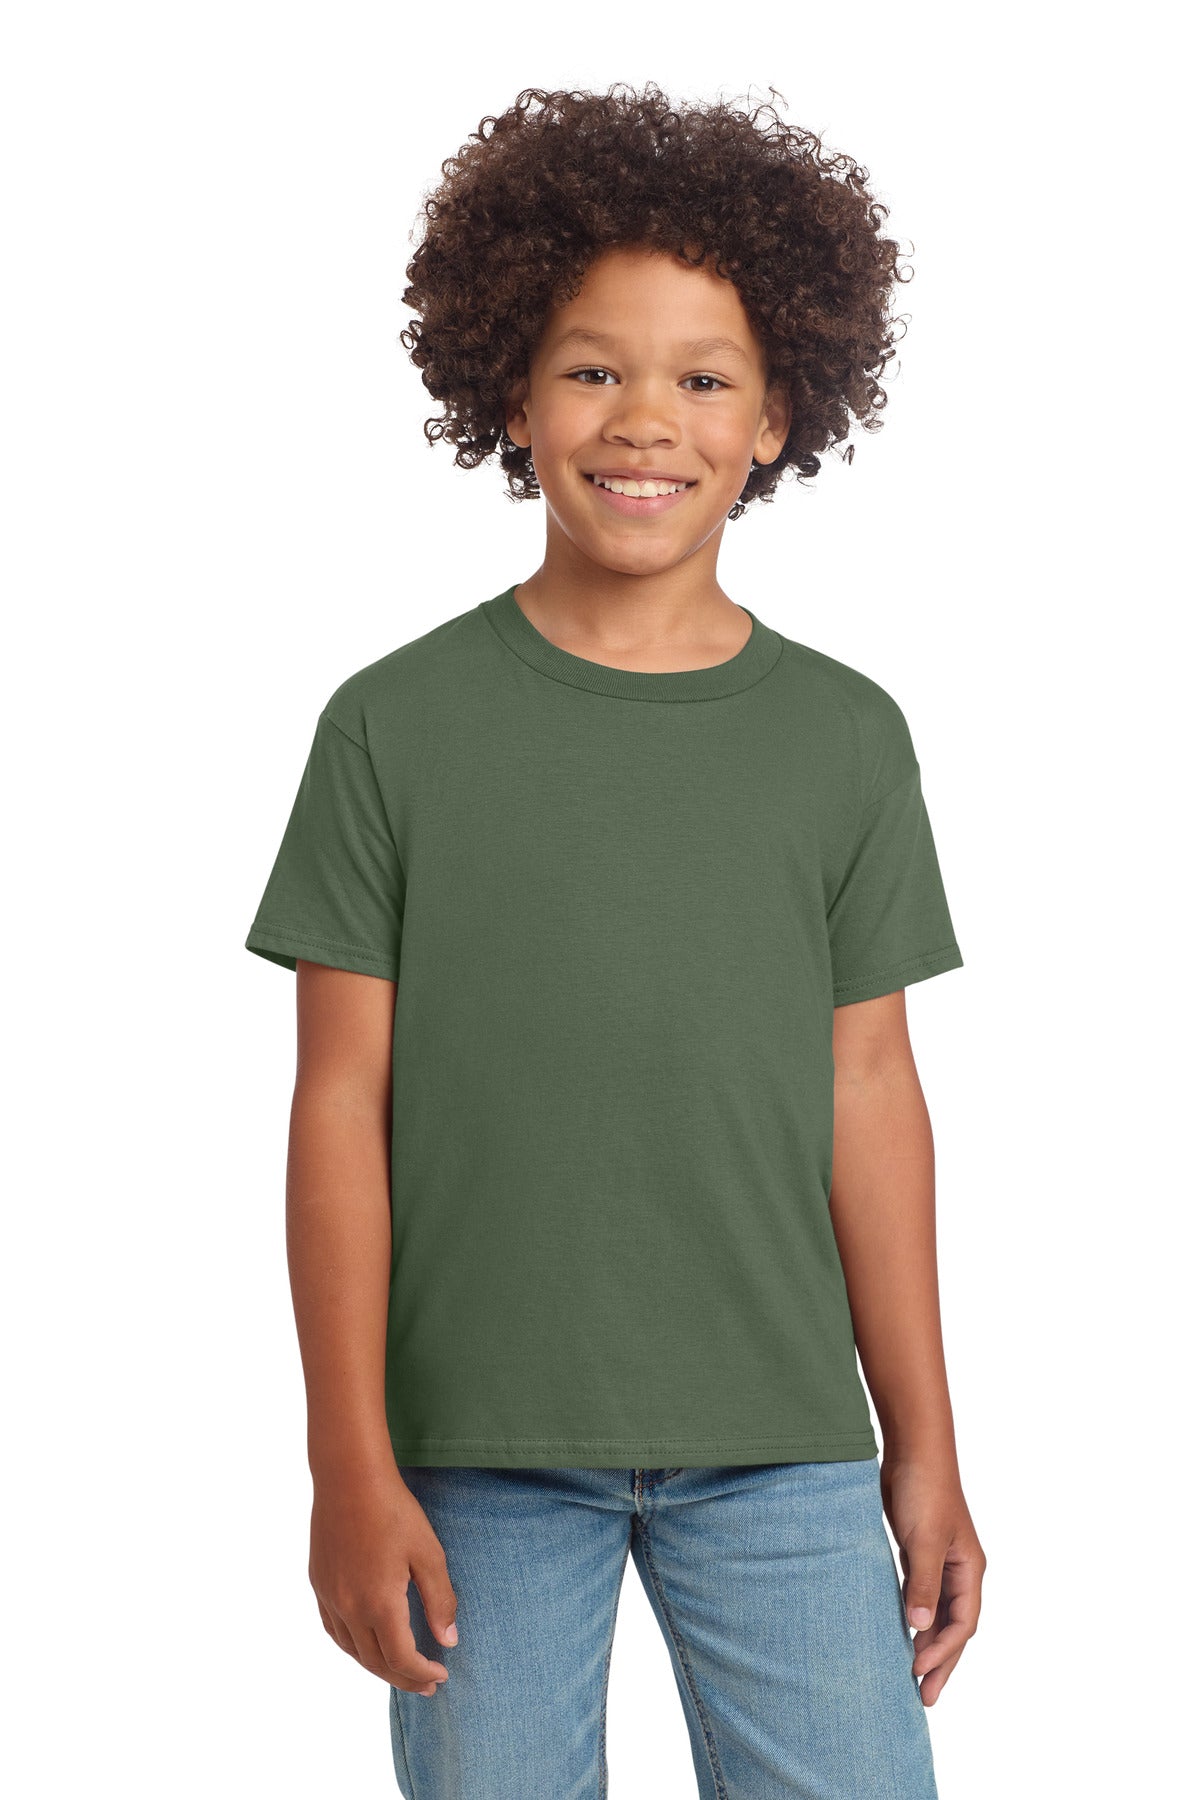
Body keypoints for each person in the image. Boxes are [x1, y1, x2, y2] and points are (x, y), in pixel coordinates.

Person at [245, 81, 986, 1800]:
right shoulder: (393, 728)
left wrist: (927, 1446)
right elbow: (338, 1105)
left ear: (778, 415)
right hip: (475, 1456)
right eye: (592, 369)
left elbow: (871, 1092)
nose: (645, 420)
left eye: (703, 380)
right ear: (509, 393)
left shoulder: (844, 738)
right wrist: (345, 1459)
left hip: (784, 1445)